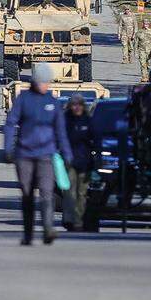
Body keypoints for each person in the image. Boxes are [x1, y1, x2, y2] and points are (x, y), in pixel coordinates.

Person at [4, 63, 73, 245]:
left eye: (46, 82)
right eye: (41, 82)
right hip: (24, 154)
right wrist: (8, 149)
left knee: (47, 192)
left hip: (46, 154)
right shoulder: (24, 99)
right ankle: (28, 233)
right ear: (35, 82)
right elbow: (11, 123)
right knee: (27, 194)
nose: (44, 85)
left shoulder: (53, 102)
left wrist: (67, 153)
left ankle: (48, 229)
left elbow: (61, 131)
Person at [62, 94, 95, 231]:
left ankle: (78, 220)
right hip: (69, 162)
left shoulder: (88, 121)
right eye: (74, 105)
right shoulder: (65, 121)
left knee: (82, 193)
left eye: (79, 105)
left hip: (84, 162)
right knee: (69, 192)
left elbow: (94, 140)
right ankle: (69, 219)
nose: (76, 107)